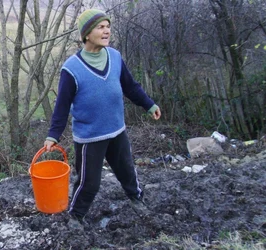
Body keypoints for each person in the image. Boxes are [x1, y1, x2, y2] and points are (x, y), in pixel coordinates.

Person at [43, 9, 161, 230]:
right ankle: (76, 216)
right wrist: (53, 135)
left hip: (117, 130)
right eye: (101, 27)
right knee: (89, 183)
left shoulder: (115, 57)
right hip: (90, 137)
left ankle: (137, 199)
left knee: (127, 170)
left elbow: (131, 86)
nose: (107, 30)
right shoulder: (71, 68)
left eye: (108, 26)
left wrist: (149, 104)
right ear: (87, 34)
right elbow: (62, 106)